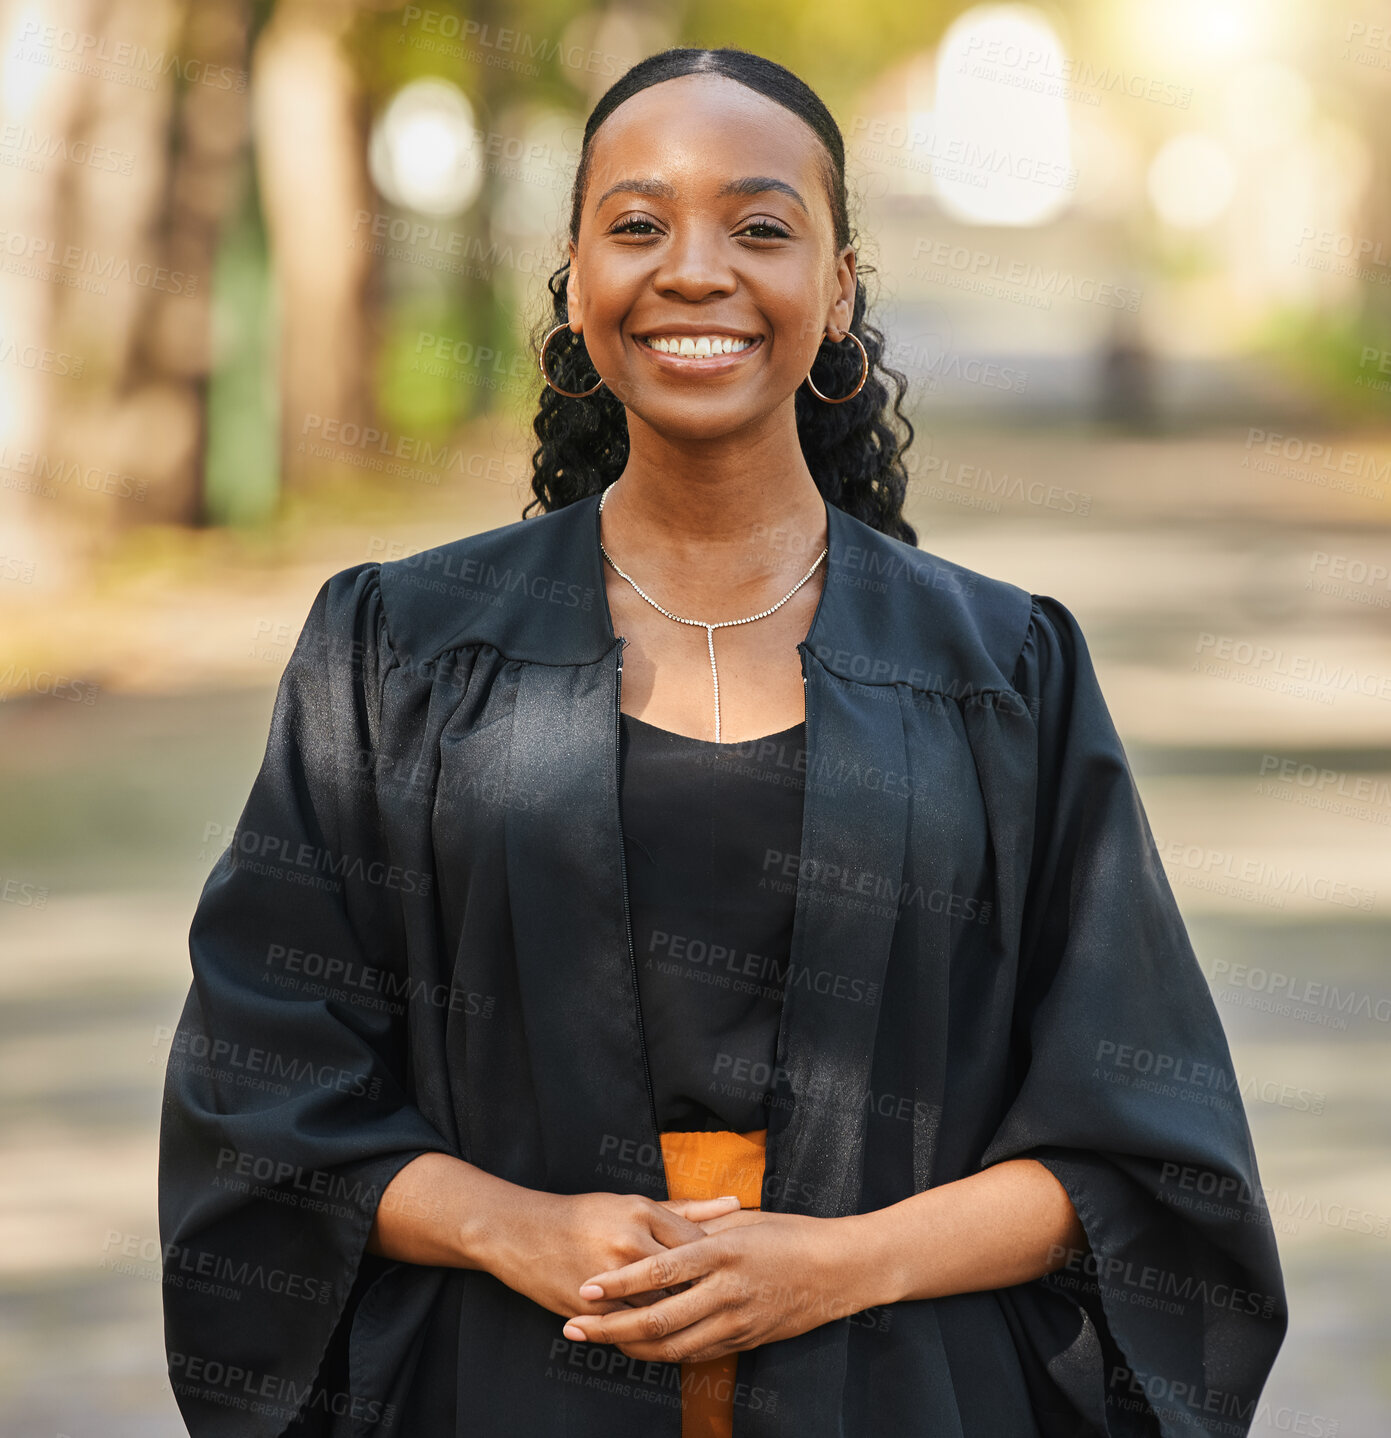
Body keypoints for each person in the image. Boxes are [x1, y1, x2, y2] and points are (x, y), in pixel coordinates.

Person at [159, 46, 1287, 1438]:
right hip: (506, 1390)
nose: (696, 270)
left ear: (841, 287)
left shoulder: (1002, 672)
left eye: (762, 227)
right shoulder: (397, 651)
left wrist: (835, 1264)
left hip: (907, 1394)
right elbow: (261, 1088)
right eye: (637, 224)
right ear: (574, 279)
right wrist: (515, 1227)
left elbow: (1145, 1150)